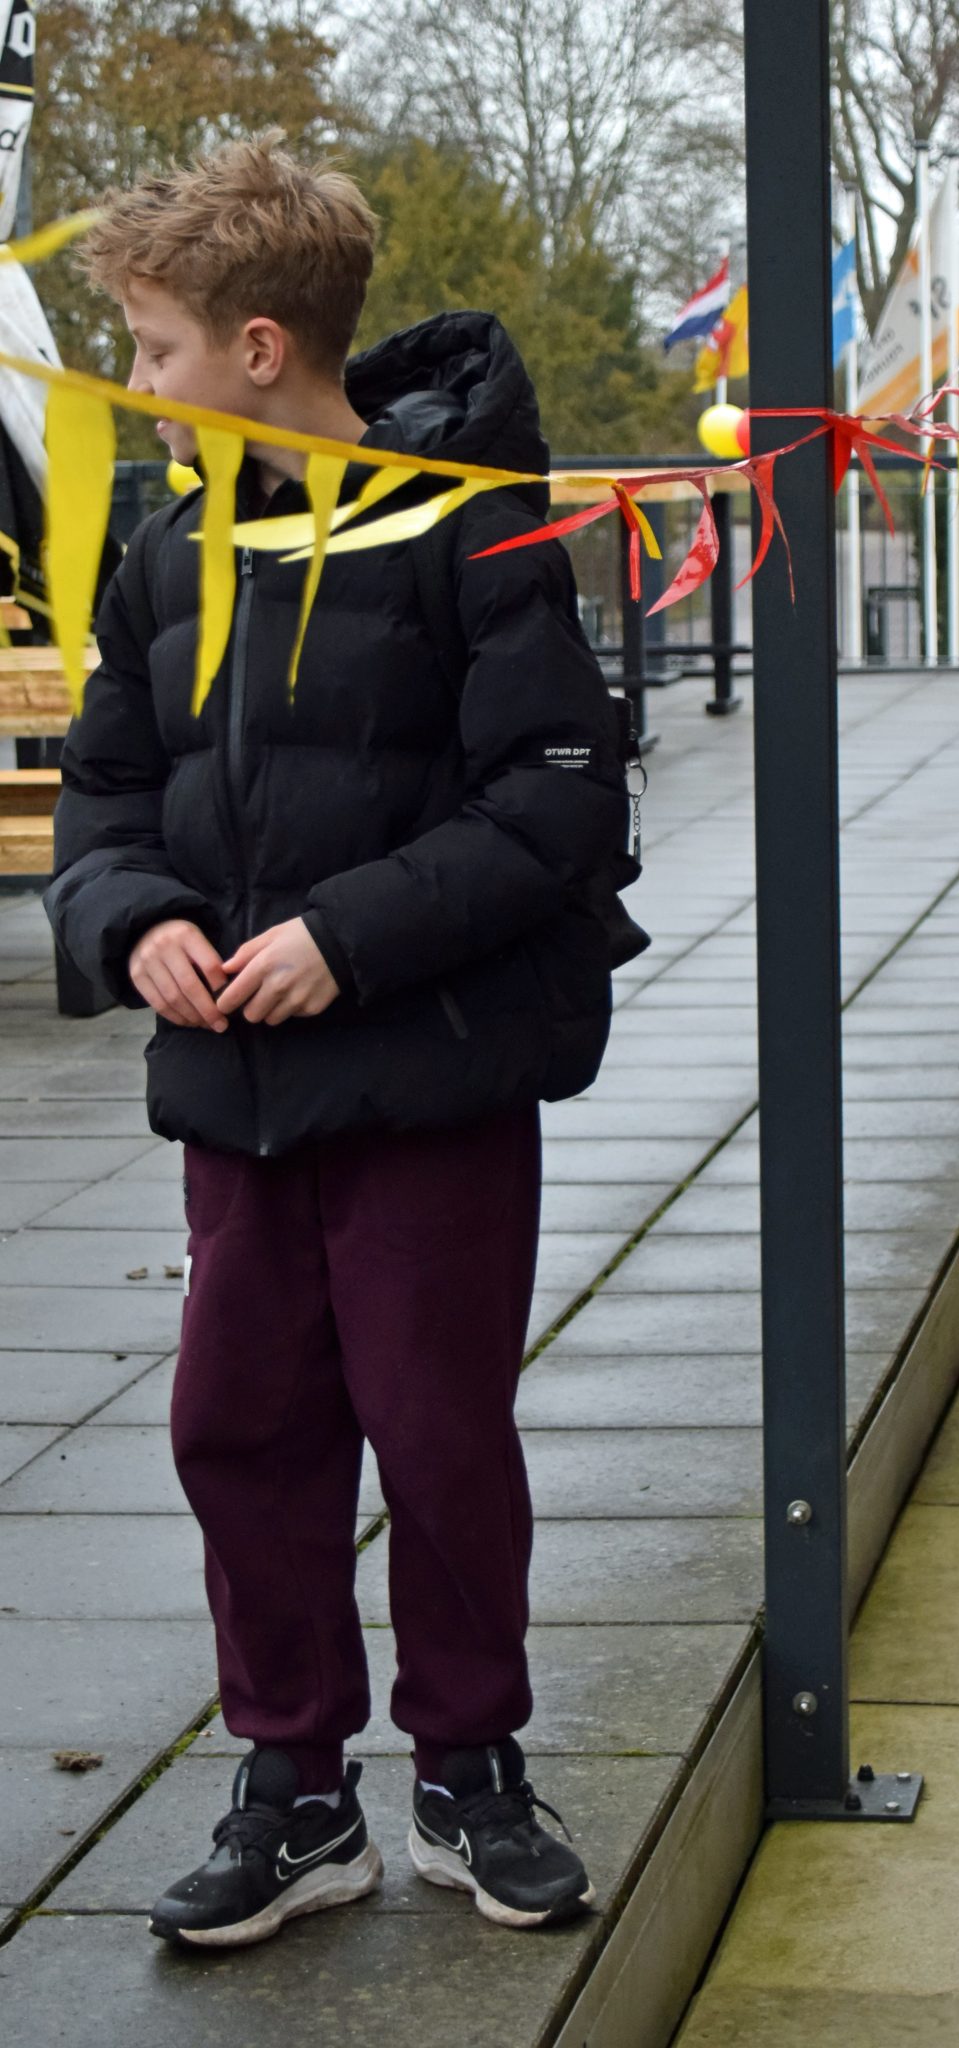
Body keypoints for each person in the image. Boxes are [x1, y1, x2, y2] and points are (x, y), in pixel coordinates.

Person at [44, 133, 630, 1946]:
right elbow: (104, 794)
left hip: (430, 1083)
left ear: (260, 348)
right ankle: (295, 1788)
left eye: (152, 348)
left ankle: (471, 1768)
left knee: (438, 1433)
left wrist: (343, 941)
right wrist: (134, 920)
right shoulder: (164, 546)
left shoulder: (473, 530)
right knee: (241, 1429)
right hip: (237, 1102)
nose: (133, 382)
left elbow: (559, 799)